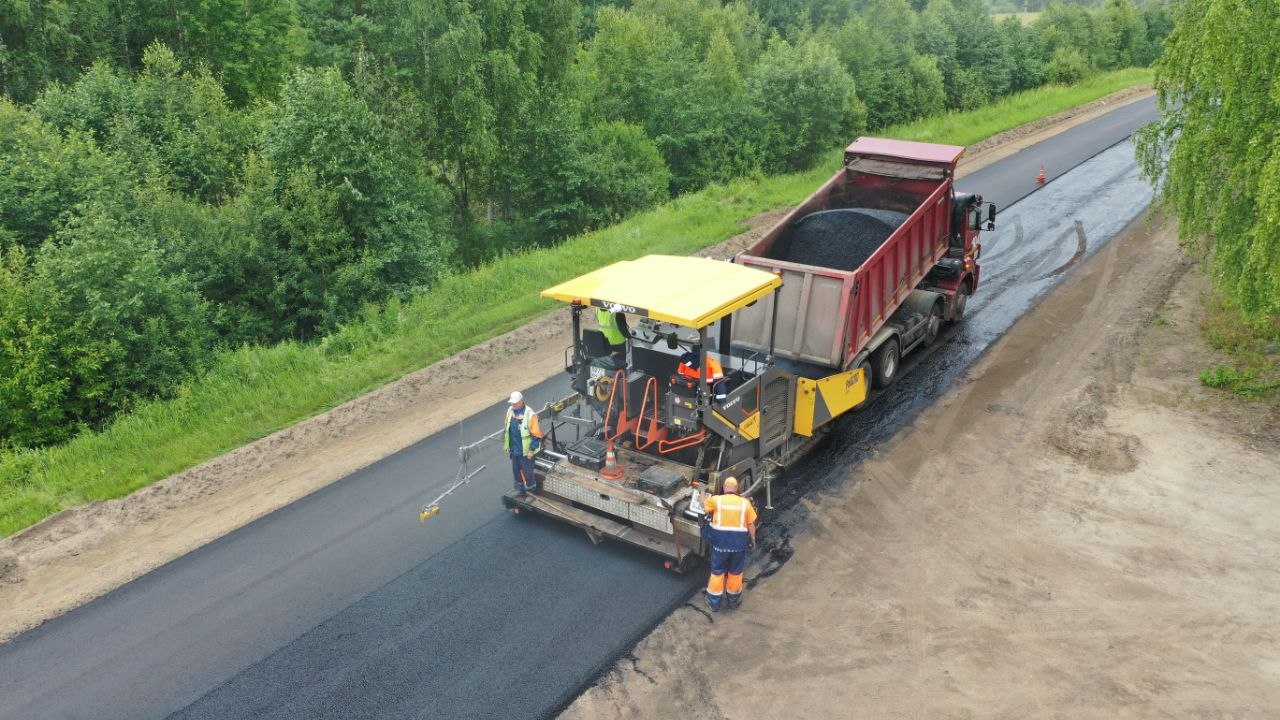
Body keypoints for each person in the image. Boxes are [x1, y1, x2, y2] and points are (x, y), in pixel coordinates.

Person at [702, 476, 758, 611]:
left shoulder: (717, 500)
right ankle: (733, 602)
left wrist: (702, 491)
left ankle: (714, 604)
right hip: (738, 546)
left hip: (720, 545)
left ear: (724, 488)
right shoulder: (745, 503)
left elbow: (703, 504)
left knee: (717, 572)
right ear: (736, 488)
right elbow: (751, 525)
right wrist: (753, 540)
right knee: (735, 573)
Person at [504, 391, 543, 497]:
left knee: (528, 472)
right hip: (514, 449)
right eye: (512, 402)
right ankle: (521, 489)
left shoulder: (530, 414)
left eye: (515, 402)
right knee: (516, 471)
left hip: (526, 451)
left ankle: (531, 490)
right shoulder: (510, 411)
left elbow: (537, 435)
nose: (513, 405)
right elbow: (507, 430)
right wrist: (507, 446)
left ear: (521, 401)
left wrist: (531, 450)